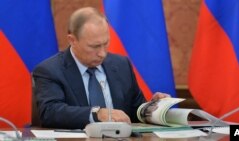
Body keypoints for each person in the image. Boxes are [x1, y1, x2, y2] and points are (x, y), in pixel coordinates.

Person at [33, 7, 168, 129]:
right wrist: (98, 114)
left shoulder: (121, 65)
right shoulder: (50, 70)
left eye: (106, 43)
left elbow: (135, 110)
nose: (102, 53)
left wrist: (152, 108)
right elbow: (50, 112)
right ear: (72, 40)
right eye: (94, 46)